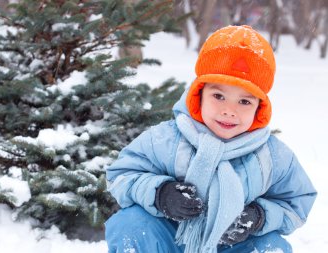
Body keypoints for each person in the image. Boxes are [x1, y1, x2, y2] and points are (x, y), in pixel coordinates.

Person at [104, 25, 317, 253]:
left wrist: (258, 216)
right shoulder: (165, 139)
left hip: (231, 246)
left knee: (269, 246)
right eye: (218, 96)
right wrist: (160, 194)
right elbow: (121, 176)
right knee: (132, 224)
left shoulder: (272, 156)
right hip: (170, 240)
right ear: (199, 95)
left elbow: (296, 203)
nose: (229, 110)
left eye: (244, 102)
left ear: (259, 108)